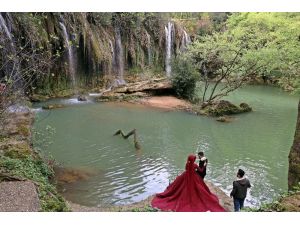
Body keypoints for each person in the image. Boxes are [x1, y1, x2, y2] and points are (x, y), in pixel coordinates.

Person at [151, 154, 226, 212]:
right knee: (198, 187)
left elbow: (186, 169)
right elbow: (200, 170)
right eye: (194, 159)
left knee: (180, 186)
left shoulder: (187, 164)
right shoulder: (195, 165)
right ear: (193, 160)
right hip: (194, 177)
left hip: (185, 176)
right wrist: (204, 166)